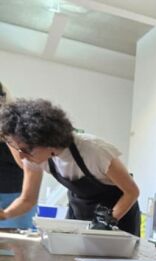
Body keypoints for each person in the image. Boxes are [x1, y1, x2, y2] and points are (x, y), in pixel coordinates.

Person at [0, 99, 140, 234]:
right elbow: (28, 199)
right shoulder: (34, 156)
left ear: (48, 142)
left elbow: (132, 192)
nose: (22, 156)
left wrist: (107, 222)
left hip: (118, 214)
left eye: (25, 150)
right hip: (79, 213)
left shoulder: (93, 150)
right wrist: (5, 214)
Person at [0, 82, 35, 230]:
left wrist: (5, 129)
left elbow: (25, 163)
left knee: (13, 248)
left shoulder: (17, 123)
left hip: (15, 198)